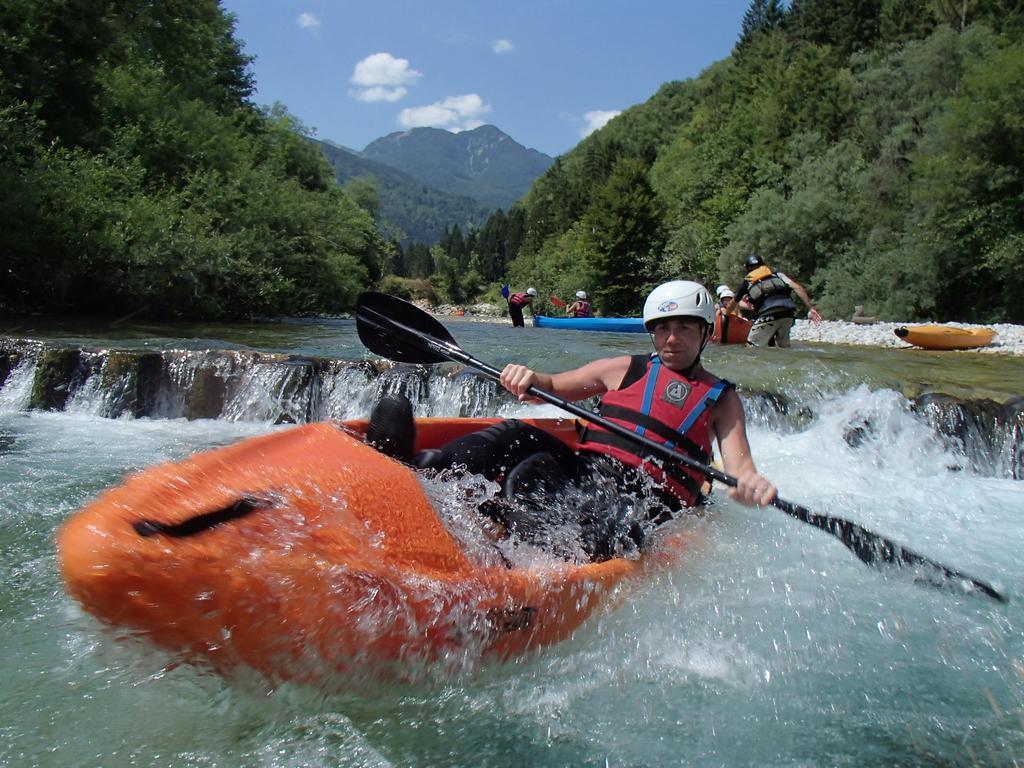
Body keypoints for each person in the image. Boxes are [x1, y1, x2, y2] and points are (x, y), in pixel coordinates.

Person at [365, 280, 777, 563]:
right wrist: (526, 378)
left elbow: (740, 473)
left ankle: (512, 549)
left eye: (684, 328)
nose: (672, 338)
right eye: (663, 328)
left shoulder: (722, 401)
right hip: (588, 471)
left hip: (644, 507)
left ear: (704, 332)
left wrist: (751, 486)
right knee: (520, 438)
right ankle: (419, 468)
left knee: (538, 485)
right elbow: (551, 385)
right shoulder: (623, 368)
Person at [725, 254, 821, 348]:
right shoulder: (777, 274)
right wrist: (810, 308)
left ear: (748, 269)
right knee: (784, 349)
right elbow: (798, 288)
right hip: (787, 314)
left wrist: (726, 315)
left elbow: (732, 304)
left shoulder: (747, 282)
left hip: (767, 315)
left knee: (750, 349)